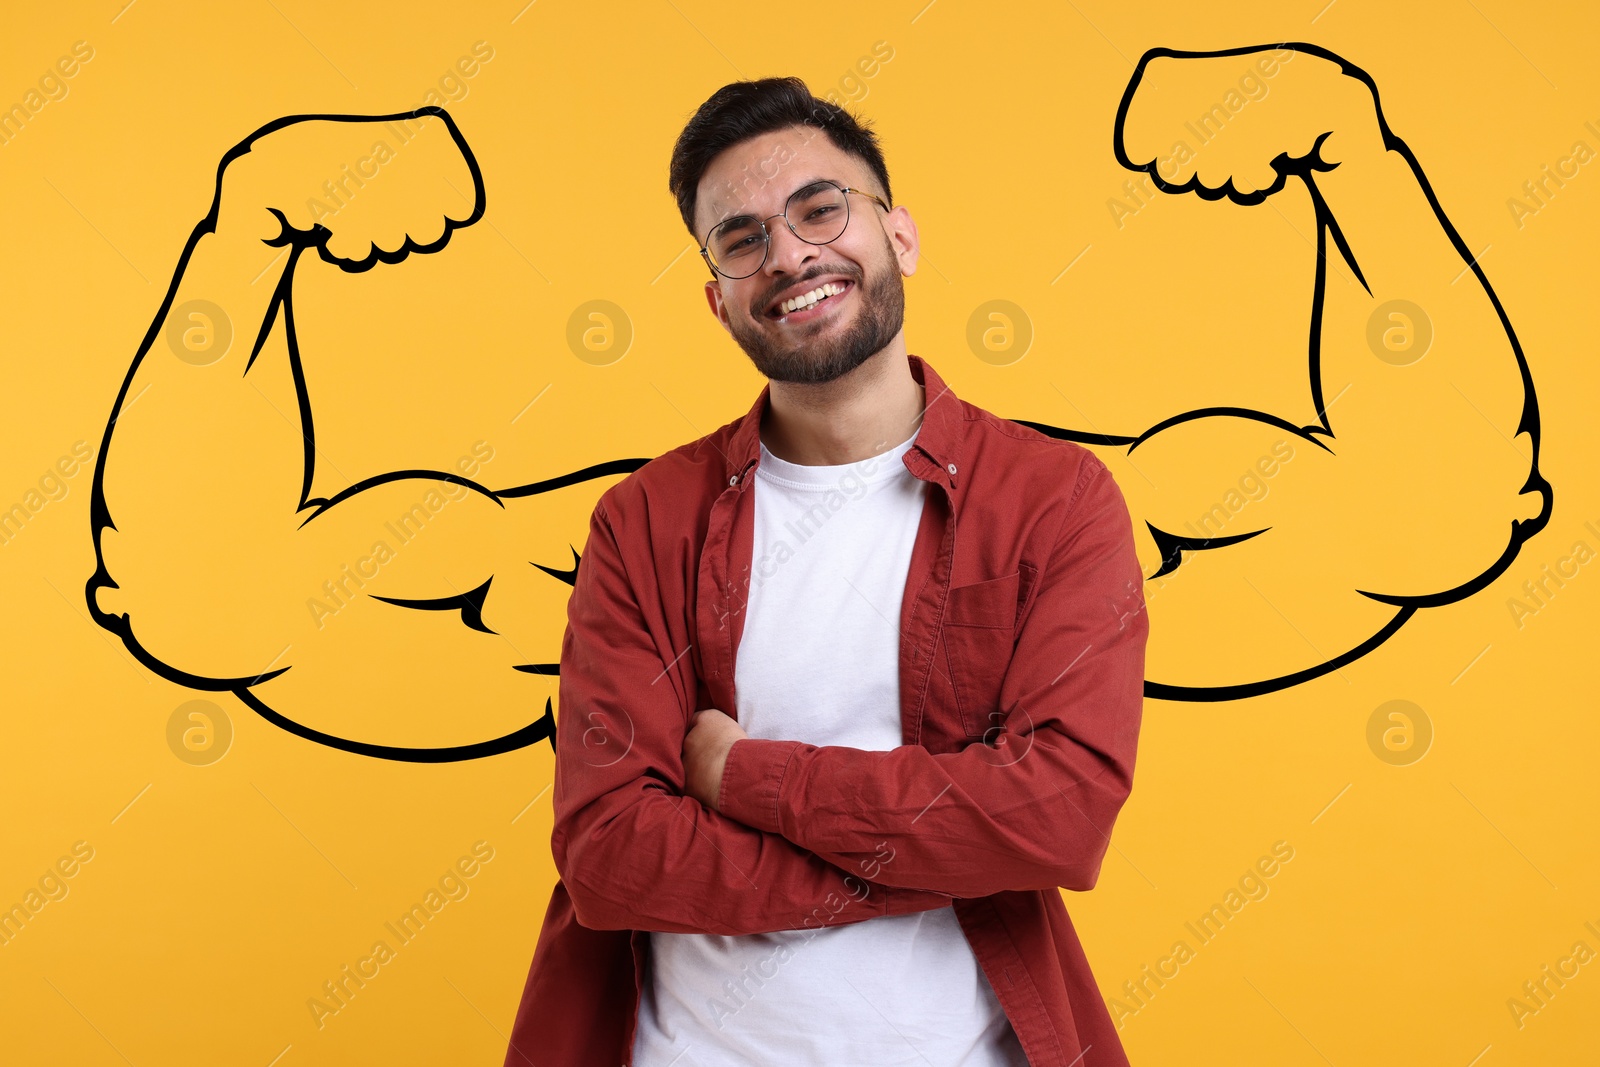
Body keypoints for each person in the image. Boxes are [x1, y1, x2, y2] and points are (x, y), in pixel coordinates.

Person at [503, 76, 1148, 1067]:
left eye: (820, 208)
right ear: (717, 300)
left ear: (899, 237)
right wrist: (933, 856)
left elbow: (1057, 814)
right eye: (742, 237)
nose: (791, 254)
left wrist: (738, 772)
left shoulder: (1052, 500)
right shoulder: (645, 522)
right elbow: (611, 854)